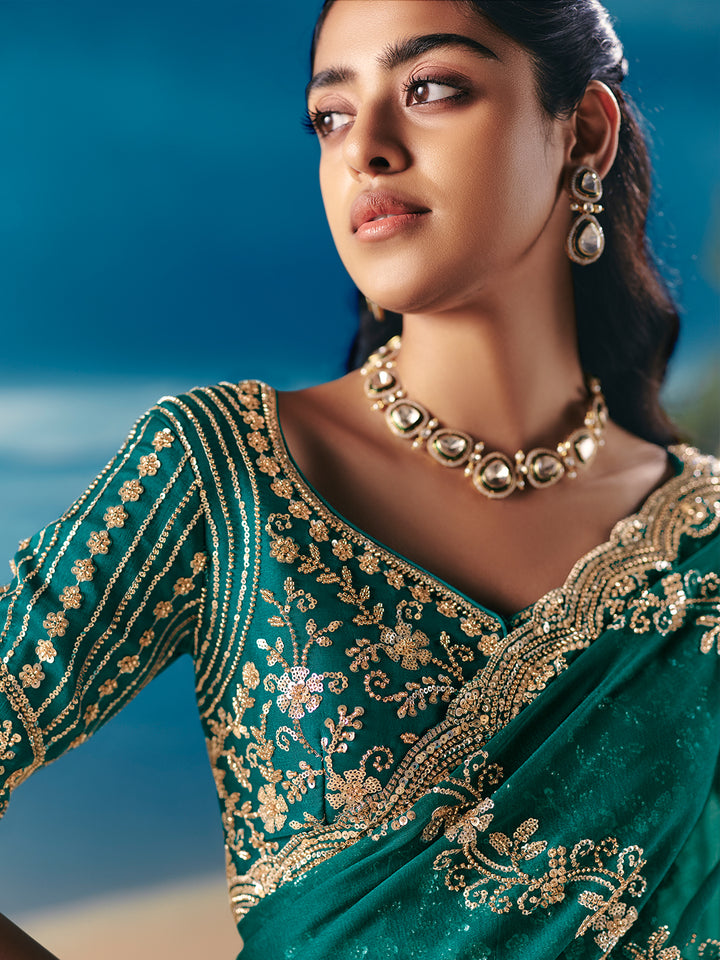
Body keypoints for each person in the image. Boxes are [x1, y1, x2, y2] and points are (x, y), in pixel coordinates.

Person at [1, 1, 718, 958]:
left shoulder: (703, 542)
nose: (365, 150)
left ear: (582, 130)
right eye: (331, 116)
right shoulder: (227, 474)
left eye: (431, 89)